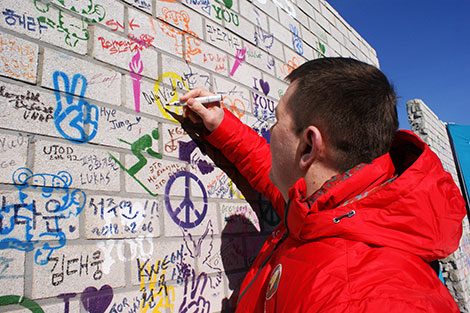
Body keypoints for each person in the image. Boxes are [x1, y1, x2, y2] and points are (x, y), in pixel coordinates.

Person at [179, 57, 466, 312]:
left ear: (308, 146)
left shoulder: (367, 300)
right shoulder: (327, 212)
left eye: (277, 120)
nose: (270, 130)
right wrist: (220, 123)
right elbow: (268, 168)